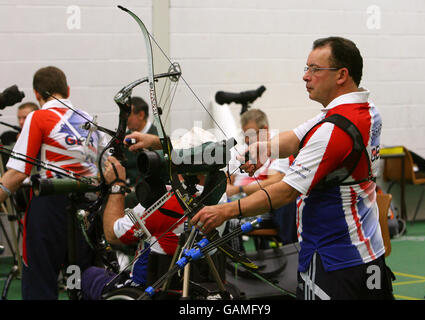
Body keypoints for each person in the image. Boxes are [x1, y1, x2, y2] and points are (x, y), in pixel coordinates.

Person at [191, 37, 394, 300]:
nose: (305, 76)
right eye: (306, 68)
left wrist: (224, 211)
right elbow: (296, 136)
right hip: (367, 252)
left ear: (342, 75)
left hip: (334, 258)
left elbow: (285, 192)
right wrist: (260, 150)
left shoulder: (333, 130)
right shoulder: (365, 109)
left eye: (314, 69)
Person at [81, 128, 228, 300]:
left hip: (151, 290)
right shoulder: (222, 197)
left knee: (89, 275)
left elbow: (113, 235)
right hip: (202, 288)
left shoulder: (164, 203)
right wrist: (153, 141)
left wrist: (117, 184)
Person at [0, 66, 105, 299]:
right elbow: (106, 168)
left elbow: (18, 172)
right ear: (67, 89)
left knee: (41, 279)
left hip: (50, 209)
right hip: (86, 211)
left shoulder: (38, 117)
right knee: (78, 279)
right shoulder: (90, 119)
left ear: (37, 95)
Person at [226, 108, 297, 245]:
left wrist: (239, 190)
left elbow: (275, 183)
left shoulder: (277, 150)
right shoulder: (241, 151)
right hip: (236, 201)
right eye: (244, 134)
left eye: (250, 134)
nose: (246, 139)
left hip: (263, 204)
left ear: (264, 130)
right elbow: (229, 180)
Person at [124, 96, 158, 186]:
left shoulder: (157, 138)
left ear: (141, 115)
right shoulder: (125, 137)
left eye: (128, 114)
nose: (124, 118)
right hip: (128, 187)